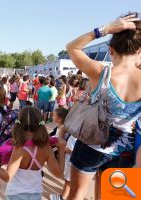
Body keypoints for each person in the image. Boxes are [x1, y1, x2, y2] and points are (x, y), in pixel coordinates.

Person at [66, 13, 141, 199]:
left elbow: (72, 47)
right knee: (111, 196)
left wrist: (105, 29)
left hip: (91, 145)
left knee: (76, 195)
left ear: (111, 50)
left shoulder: (99, 72)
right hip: (124, 151)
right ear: (139, 51)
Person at [0, 106, 66, 200]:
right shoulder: (46, 148)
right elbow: (59, 173)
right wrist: (61, 149)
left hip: (16, 194)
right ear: (40, 123)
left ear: (19, 124)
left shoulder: (19, 149)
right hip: (36, 194)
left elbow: (7, 177)